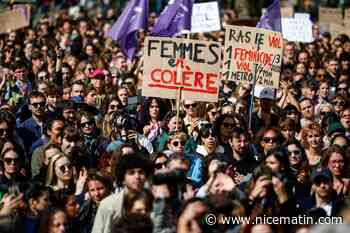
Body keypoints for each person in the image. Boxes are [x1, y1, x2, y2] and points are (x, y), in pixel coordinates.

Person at [92, 153, 152, 233]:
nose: (137, 176)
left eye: (140, 172)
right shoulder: (108, 205)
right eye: (131, 173)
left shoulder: (155, 202)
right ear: (123, 179)